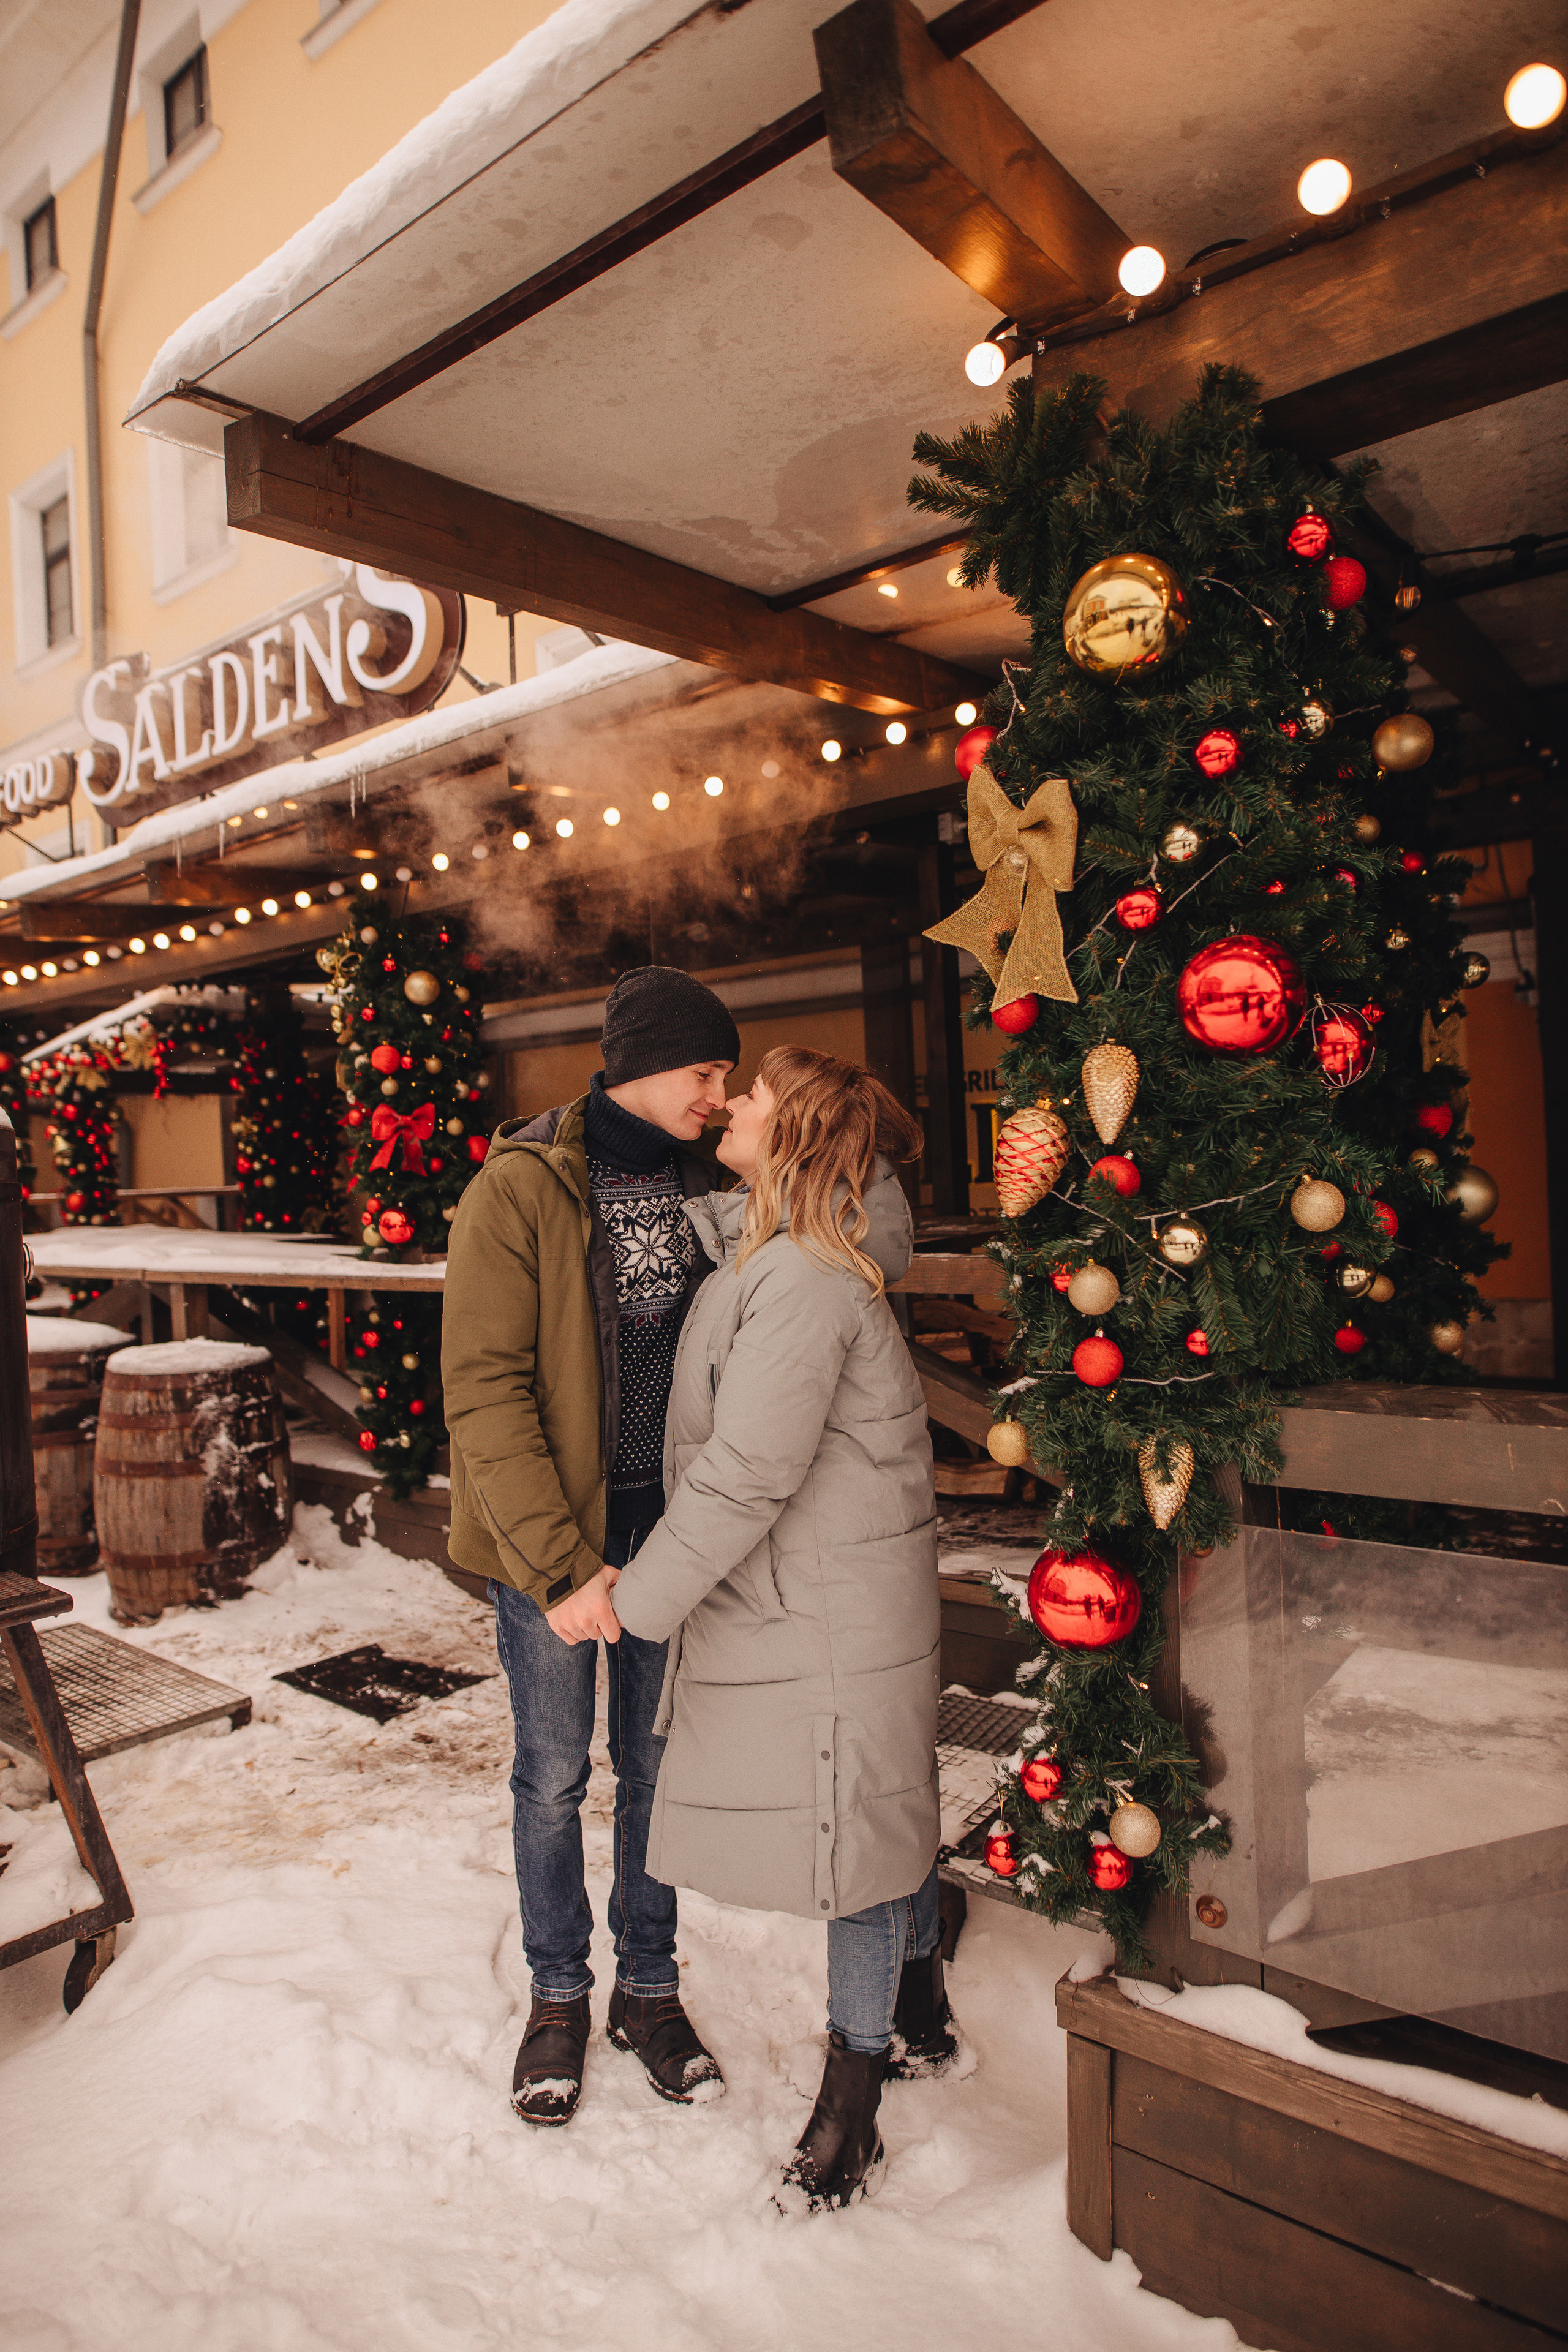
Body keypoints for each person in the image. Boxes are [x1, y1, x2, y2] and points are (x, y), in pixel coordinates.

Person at [611, 1045, 959, 2212]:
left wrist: (638, 1600)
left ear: (797, 1130)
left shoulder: (804, 1277)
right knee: (870, 1801)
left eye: (754, 1092)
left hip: (827, 1603)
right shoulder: (776, 1252)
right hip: (826, 1590)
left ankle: (850, 2100)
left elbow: (750, 1470)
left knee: (848, 1832)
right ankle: (920, 1997)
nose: (733, 1103)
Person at [441, 965, 741, 2125]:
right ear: (639, 1062)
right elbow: (483, 1389)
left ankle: (649, 1991)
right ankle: (559, 1995)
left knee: (658, 1773)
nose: (720, 1094)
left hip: (669, 1532)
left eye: (725, 1075)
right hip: (554, 1543)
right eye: (704, 1071)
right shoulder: (517, 1190)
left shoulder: (711, 1179)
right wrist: (559, 1566)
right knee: (555, 1776)